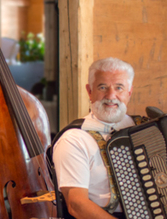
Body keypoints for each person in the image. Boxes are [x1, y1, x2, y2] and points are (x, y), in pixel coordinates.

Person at [53, 57, 136, 219]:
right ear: (89, 91)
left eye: (119, 88)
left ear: (129, 92)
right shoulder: (74, 139)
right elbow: (76, 205)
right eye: (102, 87)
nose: (111, 96)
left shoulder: (145, 130)